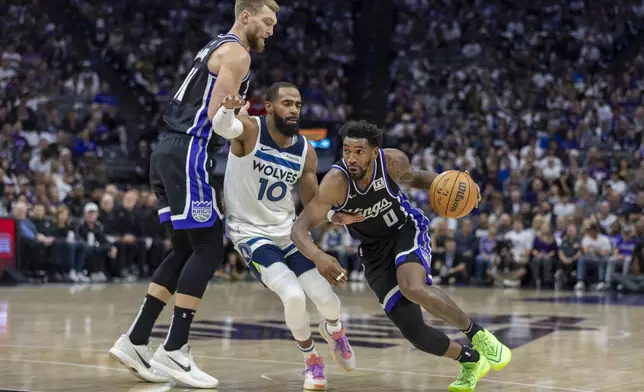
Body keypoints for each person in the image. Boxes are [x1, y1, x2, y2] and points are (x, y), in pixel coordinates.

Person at [108, 0, 279, 389]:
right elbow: (219, 120)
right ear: (246, 16)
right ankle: (175, 348)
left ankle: (135, 340)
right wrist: (244, 124)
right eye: (267, 22)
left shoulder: (216, 45)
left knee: (184, 250)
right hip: (189, 150)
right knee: (208, 248)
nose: (271, 30)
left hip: (166, 150)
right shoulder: (237, 52)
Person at [290, 120, 512, 392]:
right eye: (347, 150)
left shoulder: (392, 162)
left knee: (412, 286)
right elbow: (299, 228)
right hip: (373, 253)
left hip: (404, 230)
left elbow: (418, 178)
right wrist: (319, 256)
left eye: (359, 151)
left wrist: (462, 187)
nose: (351, 158)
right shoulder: (336, 182)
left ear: (374, 152)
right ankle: (471, 360)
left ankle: (479, 335)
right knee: (416, 335)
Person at [222, 82, 360, 390]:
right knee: (294, 296)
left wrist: (332, 217)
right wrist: (228, 109)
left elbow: (312, 205)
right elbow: (222, 126)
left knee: (327, 299)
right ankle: (311, 360)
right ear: (269, 106)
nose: (294, 109)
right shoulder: (249, 129)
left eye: (297, 104)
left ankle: (334, 329)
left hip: (287, 231)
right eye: (287, 103)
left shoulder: (306, 152)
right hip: (250, 232)